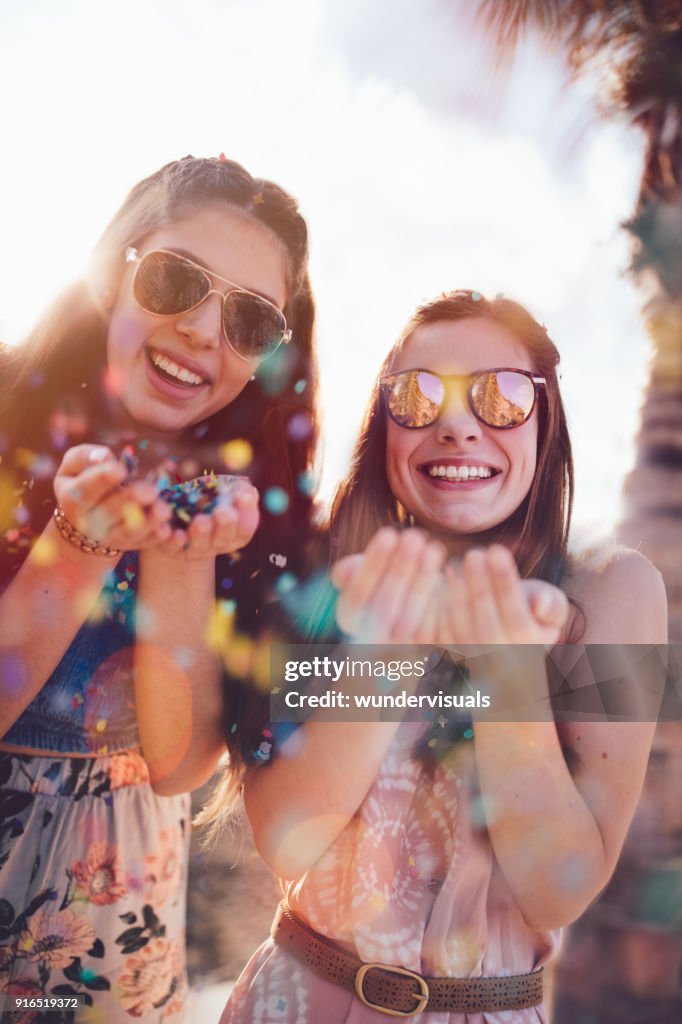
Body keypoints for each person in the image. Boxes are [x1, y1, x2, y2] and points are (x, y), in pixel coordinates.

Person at [216, 290, 667, 1023]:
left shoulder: (613, 594)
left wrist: (507, 670)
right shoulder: (323, 573)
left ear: (545, 422)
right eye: (419, 397)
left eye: (501, 395)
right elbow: (287, 841)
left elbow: (558, 888)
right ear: (383, 422)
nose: (457, 425)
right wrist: (390, 643)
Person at [0, 155, 318, 1022]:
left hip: (111, 958)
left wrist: (184, 553)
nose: (203, 333)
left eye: (250, 320)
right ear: (115, 272)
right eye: (176, 280)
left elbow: (178, 768)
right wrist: (80, 545)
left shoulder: (254, 512)